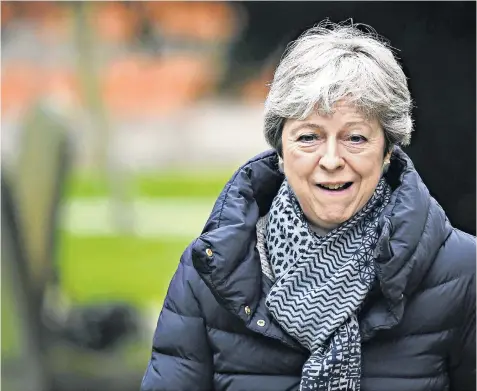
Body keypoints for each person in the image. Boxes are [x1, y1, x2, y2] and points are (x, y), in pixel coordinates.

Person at [141, 21, 476, 391]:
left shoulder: (463, 272)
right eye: (309, 137)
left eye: (355, 137)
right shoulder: (209, 269)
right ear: (281, 150)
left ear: (387, 151)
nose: (331, 159)